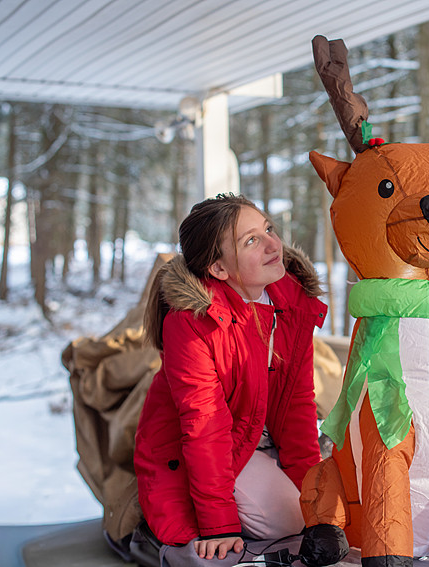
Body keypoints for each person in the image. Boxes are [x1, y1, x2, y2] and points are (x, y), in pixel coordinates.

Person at [134, 193, 327, 564]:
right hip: (199, 448)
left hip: (258, 439)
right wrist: (218, 525)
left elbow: (298, 403)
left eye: (268, 229)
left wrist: (310, 489)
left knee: (320, 510)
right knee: (287, 520)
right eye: (251, 240)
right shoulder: (192, 323)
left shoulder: (292, 304)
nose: (275, 245)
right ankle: (154, 530)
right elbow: (204, 427)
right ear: (220, 269)